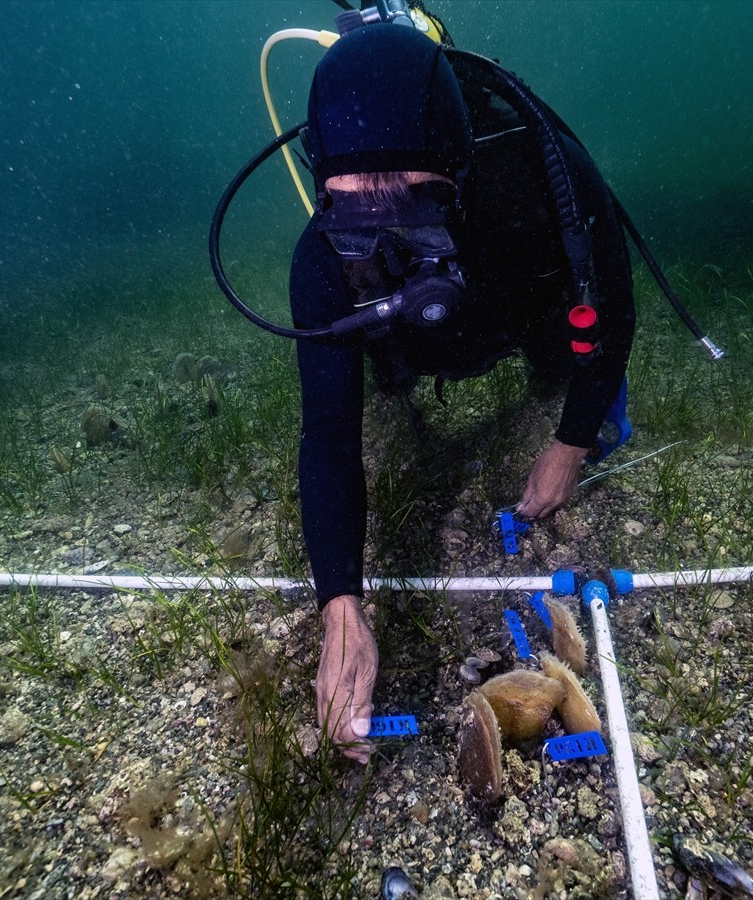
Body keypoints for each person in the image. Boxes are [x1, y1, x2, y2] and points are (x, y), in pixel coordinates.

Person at [289, 23, 636, 763]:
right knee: (389, 392)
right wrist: (341, 610)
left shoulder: (547, 186)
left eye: (412, 206)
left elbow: (617, 310)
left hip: (516, 307)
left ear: (459, 171)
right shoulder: (319, 261)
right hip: (411, 349)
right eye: (353, 215)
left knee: (564, 374)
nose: (386, 246)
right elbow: (327, 432)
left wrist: (571, 443)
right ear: (321, 191)